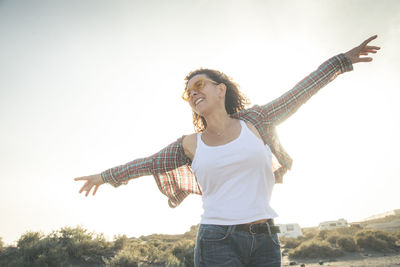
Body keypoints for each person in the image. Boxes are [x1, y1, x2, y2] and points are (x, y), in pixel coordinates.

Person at [74, 35, 380, 266]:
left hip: (266, 238)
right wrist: (104, 176)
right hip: (216, 240)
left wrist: (341, 61)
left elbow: (299, 92)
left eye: (200, 85)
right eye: (189, 91)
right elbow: (147, 163)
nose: (194, 92)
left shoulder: (257, 120)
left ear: (221, 90)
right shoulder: (190, 144)